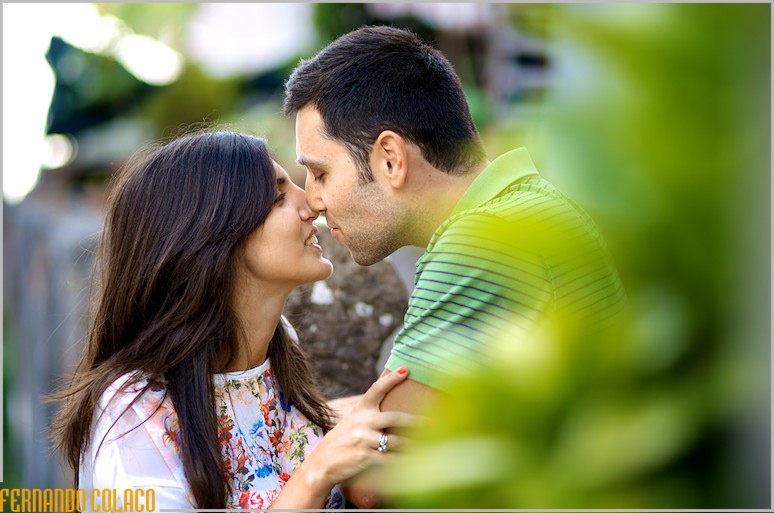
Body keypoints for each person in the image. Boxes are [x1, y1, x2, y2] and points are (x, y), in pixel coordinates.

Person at [284, 25, 627, 505]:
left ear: (389, 159)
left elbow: (373, 481)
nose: (314, 200)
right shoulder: (522, 206)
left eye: (320, 172)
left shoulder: (480, 243)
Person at [50, 130, 413, 511]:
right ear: (212, 234)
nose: (312, 204)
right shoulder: (135, 416)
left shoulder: (275, 347)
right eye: (278, 197)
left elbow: (287, 430)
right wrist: (316, 474)